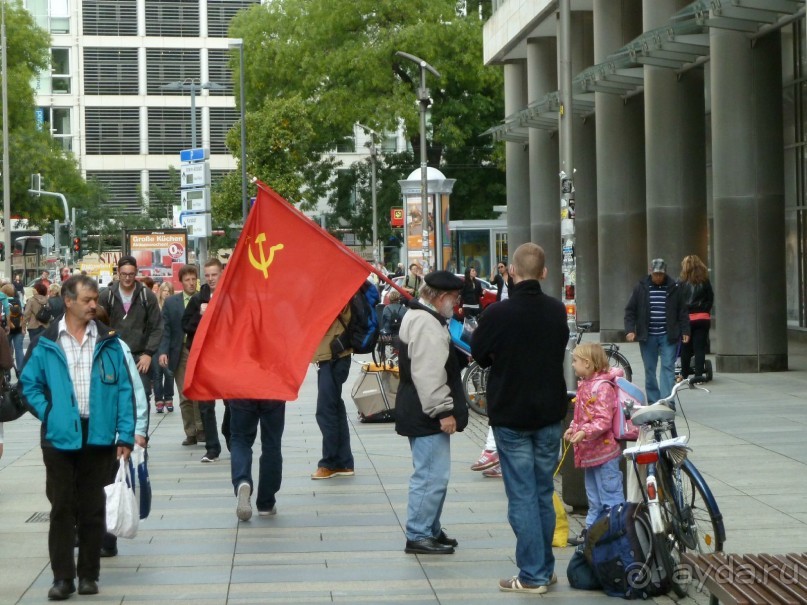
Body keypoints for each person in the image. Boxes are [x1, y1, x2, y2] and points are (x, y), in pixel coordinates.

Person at [20, 275, 138, 601]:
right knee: (61, 508)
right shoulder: (47, 342)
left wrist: (125, 436)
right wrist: (50, 412)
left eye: (95, 299)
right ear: (68, 301)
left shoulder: (109, 341)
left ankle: (88, 575)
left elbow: (124, 392)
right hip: (58, 436)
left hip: (97, 436)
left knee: (92, 507)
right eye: (87, 300)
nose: (93, 305)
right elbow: (28, 385)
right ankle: (62, 578)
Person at [471, 243, 569, 594]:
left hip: (511, 414)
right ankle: (544, 568)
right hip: (548, 414)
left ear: (511, 271)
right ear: (543, 273)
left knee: (523, 497)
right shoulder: (557, 311)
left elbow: (479, 353)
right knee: (543, 492)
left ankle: (532, 575)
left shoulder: (499, 313)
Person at [396, 270, 468, 555]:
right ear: (439, 297)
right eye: (454, 297)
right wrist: (443, 412)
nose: (457, 302)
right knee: (431, 475)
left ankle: (430, 528)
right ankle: (419, 533)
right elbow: (428, 374)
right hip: (425, 410)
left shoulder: (422, 317)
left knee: (434, 474)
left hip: (416, 406)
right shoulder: (426, 324)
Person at [97, 255, 162, 558]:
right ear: (117, 273)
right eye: (123, 273)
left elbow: (157, 327)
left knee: (140, 396)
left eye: (131, 274)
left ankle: (139, 438)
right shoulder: (106, 295)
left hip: (136, 355)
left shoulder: (146, 296)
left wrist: (149, 353)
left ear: (137, 274)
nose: (127, 278)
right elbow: (98, 320)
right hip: (110, 353)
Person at [564, 343, 625, 545]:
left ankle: (616, 535)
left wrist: (584, 432)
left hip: (605, 453)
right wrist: (574, 427)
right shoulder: (586, 385)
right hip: (591, 454)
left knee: (610, 497)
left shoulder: (602, 387)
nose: (573, 365)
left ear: (588, 364)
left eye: (575, 361)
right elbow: (582, 415)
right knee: (594, 499)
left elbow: (603, 420)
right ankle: (592, 535)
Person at [624, 258, 690, 404]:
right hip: (648, 335)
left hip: (668, 334)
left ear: (665, 273)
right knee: (650, 369)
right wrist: (630, 329)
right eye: (656, 274)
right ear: (650, 272)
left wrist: (685, 330)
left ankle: (667, 401)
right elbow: (630, 310)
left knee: (668, 367)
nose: (658, 277)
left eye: (661, 274)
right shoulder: (641, 288)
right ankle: (654, 401)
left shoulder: (674, 288)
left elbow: (682, 311)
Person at [183, 258, 223, 463]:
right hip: (205, 358)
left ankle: (231, 435)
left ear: (221, 273)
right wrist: (201, 316)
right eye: (207, 275)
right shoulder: (199, 298)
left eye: (214, 275)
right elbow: (186, 327)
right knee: (206, 405)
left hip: (226, 357)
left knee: (233, 403)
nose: (210, 279)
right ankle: (212, 447)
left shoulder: (229, 296)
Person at [158, 265, 204, 445]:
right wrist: (163, 351)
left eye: (194, 279)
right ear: (181, 282)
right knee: (185, 393)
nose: (191, 283)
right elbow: (166, 330)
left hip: (200, 350)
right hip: (181, 350)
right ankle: (190, 431)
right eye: (187, 280)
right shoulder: (171, 303)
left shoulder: (204, 299)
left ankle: (202, 429)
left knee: (199, 393)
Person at [310, 298, 354, 479]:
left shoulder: (336, 287)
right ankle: (343, 462)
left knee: (326, 409)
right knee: (334, 405)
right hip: (331, 353)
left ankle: (330, 462)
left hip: (335, 354)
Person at [231, 399, 286, 521]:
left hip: (242, 389)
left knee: (240, 439)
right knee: (272, 444)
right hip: (273, 389)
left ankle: (242, 480)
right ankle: (266, 503)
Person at [678, 255, 713, 380]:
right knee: (700, 348)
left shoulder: (681, 283)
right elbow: (710, 299)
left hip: (687, 319)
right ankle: (698, 376)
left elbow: (678, 302)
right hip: (702, 319)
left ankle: (685, 373)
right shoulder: (705, 281)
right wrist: (704, 310)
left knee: (685, 348)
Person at [152, 281, 175, 413]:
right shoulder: (155, 306)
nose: (166, 292)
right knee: (157, 373)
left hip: (169, 344)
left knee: (169, 373)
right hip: (156, 343)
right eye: (164, 290)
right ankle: (158, 400)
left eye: (169, 290)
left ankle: (169, 397)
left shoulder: (173, 305)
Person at [3, 284, 23, 378]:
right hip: (18, 328)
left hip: (7, 329)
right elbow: (22, 314)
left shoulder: (3, 301)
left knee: (7, 351)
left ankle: (7, 372)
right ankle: (20, 371)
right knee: (19, 350)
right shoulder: (17, 300)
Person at [23, 281, 50, 347]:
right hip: (45, 325)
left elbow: (27, 314)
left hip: (33, 326)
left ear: (37, 290)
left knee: (34, 346)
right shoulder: (47, 300)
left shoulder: (31, 300)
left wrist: (23, 326)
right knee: (44, 346)